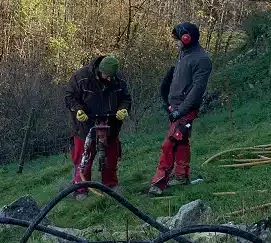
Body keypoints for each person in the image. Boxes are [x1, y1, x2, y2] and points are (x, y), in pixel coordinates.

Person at [148, 22, 212, 196]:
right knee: (182, 142)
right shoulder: (184, 54)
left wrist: (181, 110)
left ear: (187, 38)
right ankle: (181, 177)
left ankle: (158, 183)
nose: (176, 43)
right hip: (175, 106)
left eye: (178, 39)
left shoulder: (202, 60)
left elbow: (196, 90)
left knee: (170, 144)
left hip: (185, 109)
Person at [65, 54, 132, 194]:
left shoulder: (118, 78)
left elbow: (126, 98)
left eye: (111, 77)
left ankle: (110, 187)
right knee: (83, 159)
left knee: (111, 157)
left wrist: (123, 109)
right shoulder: (81, 76)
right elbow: (70, 97)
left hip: (111, 124)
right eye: (106, 76)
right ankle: (80, 189)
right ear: (99, 70)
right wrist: (78, 110)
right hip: (84, 125)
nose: (109, 79)